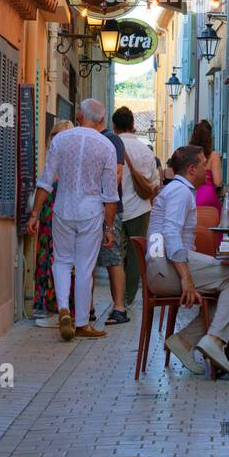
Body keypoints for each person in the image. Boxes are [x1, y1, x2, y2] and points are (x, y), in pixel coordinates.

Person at [147, 144, 229, 376]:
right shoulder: (180, 193)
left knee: (225, 293)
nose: (207, 169)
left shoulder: (179, 191)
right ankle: (214, 340)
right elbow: (171, 235)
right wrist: (187, 279)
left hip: (161, 266)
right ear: (192, 169)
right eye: (204, 164)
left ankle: (184, 341)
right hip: (164, 268)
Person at [26, 99, 117, 340]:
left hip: (63, 208)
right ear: (100, 120)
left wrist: (35, 213)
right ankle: (82, 324)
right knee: (85, 268)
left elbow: (45, 181)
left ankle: (63, 307)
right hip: (91, 211)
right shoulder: (106, 146)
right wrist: (109, 228)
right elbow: (110, 195)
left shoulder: (60, 140)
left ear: (79, 116)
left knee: (62, 261)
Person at [111, 105, 160, 314]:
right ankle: (129, 298)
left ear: (114, 126)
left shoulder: (110, 146)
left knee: (114, 254)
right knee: (135, 254)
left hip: (114, 208)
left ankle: (117, 300)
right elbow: (154, 184)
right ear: (132, 126)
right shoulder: (145, 150)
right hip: (140, 209)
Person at [32, 119, 73, 326]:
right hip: (49, 217)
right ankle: (46, 305)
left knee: (61, 261)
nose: (56, 139)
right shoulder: (52, 160)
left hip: (62, 217)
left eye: (61, 135)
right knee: (46, 258)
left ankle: (62, 307)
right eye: (54, 135)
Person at [97, 115, 128, 325]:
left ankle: (119, 308)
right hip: (90, 208)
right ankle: (86, 309)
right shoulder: (88, 138)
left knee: (112, 257)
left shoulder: (112, 139)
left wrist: (103, 198)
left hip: (109, 208)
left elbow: (117, 174)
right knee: (85, 260)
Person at [190, 120, 222, 209]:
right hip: (208, 196)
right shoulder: (214, 156)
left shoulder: (189, 155)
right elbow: (218, 182)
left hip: (191, 195)